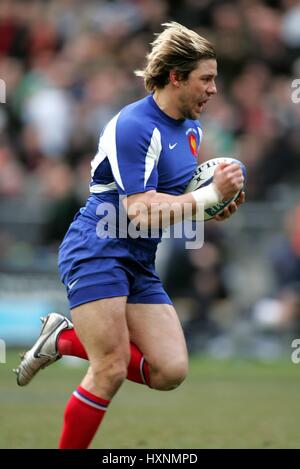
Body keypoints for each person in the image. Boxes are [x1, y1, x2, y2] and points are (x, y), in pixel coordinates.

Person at [14, 22, 245, 449]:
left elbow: (170, 209)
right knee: (111, 368)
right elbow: (138, 211)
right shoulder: (135, 125)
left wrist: (213, 208)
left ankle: (62, 340)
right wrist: (207, 196)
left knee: (170, 370)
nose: (214, 89)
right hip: (97, 248)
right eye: (206, 79)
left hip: (139, 258)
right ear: (176, 77)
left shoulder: (192, 131)